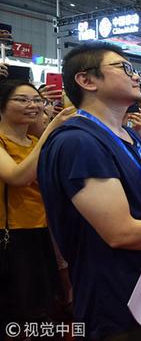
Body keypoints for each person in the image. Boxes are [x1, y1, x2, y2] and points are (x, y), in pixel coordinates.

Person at [38, 43, 141, 340]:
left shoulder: (129, 135)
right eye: (124, 68)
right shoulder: (78, 142)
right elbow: (119, 232)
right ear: (86, 80)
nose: (136, 76)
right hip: (109, 292)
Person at [0, 80, 73, 329]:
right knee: (17, 301)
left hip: (41, 227)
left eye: (36, 100)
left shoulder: (33, 142)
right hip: (12, 232)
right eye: (22, 100)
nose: (32, 105)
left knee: (40, 297)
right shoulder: (3, 142)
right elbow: (17, 177)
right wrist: (50, 130)